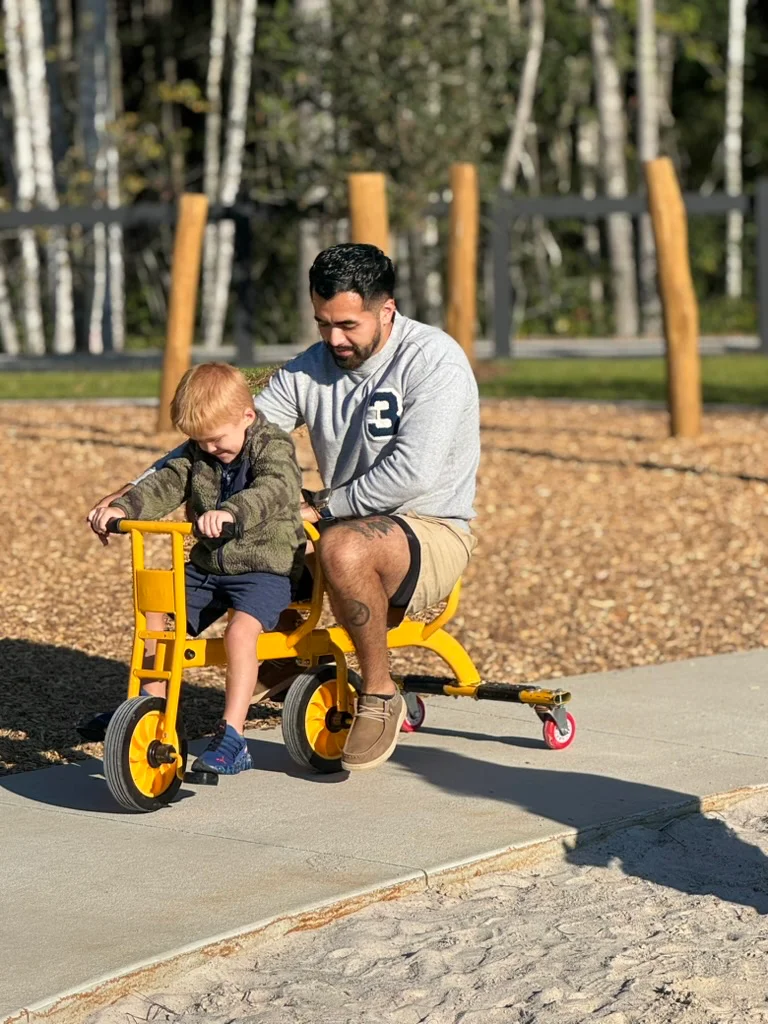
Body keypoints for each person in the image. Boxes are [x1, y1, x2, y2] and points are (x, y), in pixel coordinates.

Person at [88, 243, 480, 772]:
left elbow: (414, 473)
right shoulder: (310, 370)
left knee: (340, 547)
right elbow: (226, 429)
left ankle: (380, 694)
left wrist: (321, 504)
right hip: (339, 524)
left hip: (428, 527)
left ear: (386, 310)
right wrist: (132, 490)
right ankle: (157, 707)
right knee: (220, 563)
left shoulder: (433, 360)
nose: (333, 339)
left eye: (347, 325)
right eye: (322, 323)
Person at [89, 362, 305, 775]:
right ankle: (149, 710)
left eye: (216, 440)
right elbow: (165, 483)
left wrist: (231, 513)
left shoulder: (272, 446)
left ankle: (233, 736)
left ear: (247, 415)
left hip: (264, 569)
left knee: (241, 632)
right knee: (158, 613)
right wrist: (122, 506)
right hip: (209, 567)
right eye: (200, 442)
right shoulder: (199, 452)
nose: (209, 449)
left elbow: (276, 488)